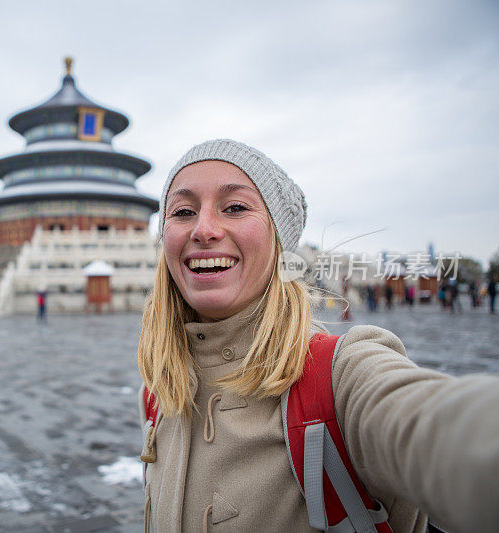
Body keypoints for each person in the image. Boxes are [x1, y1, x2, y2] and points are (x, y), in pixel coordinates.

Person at [137, 139, 499, 532]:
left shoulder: (341, 375)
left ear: (280, 243)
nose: (204, 229)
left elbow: (440, 430)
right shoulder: (158, 391)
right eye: (183, 211)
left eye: (236, 207)